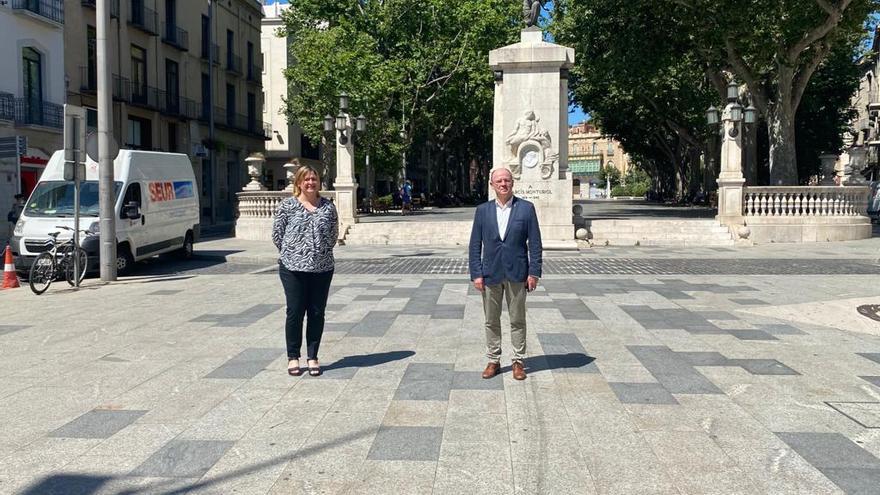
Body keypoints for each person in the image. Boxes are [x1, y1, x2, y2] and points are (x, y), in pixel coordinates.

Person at [468, 167, 542, 380]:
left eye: (507, 180)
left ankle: (518, 360)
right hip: (490, 273)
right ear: (492, 184)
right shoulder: (482, 211)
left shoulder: (526, 209)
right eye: (499, 181)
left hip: (517, 273)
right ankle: (493, 360)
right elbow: (475, 245)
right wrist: (476, 273)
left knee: (517, 319)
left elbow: (535, 243)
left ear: (512, 183)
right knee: (491, 320)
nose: (503, 184)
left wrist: (534, 272)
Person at [272, 165, 338, 377]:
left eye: (314, 179)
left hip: (322, 268)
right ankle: (293, 356)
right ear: (299, 183)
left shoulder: (328, 207)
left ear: (319, 182)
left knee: (317, 313)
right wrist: (294, 253)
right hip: (292, 268)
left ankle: (312, 356)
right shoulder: (287, 206)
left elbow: (333, 235)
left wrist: (319, 251)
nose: (311, 183)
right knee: (295, 311)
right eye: (306, 179)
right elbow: (277, 235)